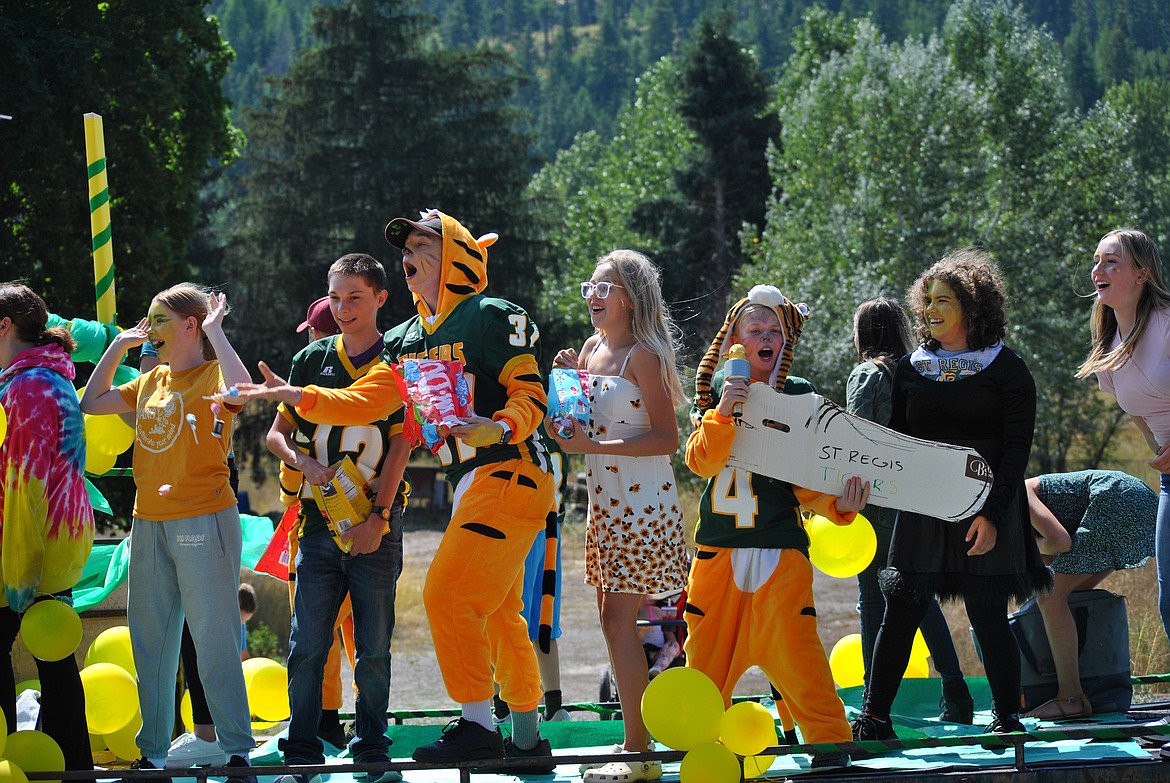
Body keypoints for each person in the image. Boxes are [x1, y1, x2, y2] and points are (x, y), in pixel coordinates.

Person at [234, 210, 557, 774]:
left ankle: (481, 727)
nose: (408, 252)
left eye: (422, 242)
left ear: (456, 252)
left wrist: (499, 425)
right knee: (500, 612)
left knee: (448, 596)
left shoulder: (489, 316)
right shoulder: (408, 339)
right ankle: (527, 741)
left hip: (513, 469)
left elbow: (531, 392)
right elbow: (367, 400)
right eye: (405, 245)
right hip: (473, 482)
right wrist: (297, 394)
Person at [851, 250, 1048, 743]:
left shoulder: (1008, 369)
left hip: (988, 509)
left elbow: (1015, 452)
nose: (932, 309)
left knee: (988, 615)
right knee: (899, 611)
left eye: (946, 300)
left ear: (974, 308)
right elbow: (894, 441)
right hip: (924, 510)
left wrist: (994, 516)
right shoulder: (913, 369)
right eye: (928, 301)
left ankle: (1007, 718)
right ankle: (874, 718)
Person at [687, 284, 868, 771]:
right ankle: (698, 750)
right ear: (733, 343)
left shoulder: (799, 398)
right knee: (703, 664)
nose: (766, 337)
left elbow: (807, 478)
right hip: (718, 555)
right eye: (755, 329)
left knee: (800, 657)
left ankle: (830, 747)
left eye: (775, 331)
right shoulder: (712, 396)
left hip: (780, 551)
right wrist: (725, 408)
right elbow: (701, 462)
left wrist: (839, 504)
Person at [79, 284, 256, 783]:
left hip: (204, 517)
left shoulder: (213, 374)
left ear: (189, 325)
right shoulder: (151, 377)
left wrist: (218, 331)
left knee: (213, 634)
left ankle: (237, 748)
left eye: (159, 319)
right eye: (149, 318)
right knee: (150, 641)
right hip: (147, 521)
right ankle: (152, 751)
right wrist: (119, 346)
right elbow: (93, 402)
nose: (150, 328)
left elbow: (243, 388)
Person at [264, 254, 410, 783]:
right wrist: (304, 463)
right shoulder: (311, 358)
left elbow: (399, 449)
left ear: (380, 299)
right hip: (318, 522)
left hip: (375, 523)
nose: (343, 309)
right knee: (307, 644)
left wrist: (378, 517)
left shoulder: (397, 359)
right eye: (336, 298)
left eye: (355, 298)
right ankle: (301, 747)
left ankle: (371, 744)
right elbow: (277, 432)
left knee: (372, 645)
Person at [550, 249, 690, 783]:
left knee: (616, 621)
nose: (593, 295)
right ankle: (638, 743)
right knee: (613, 623)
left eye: (604, 287)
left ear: (631, 297)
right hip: (604, 502)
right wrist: (566, 386)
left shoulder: (643, 356)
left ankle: (638, 749)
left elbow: (666, 438)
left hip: (642, 506)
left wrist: (595, 441)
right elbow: (575, 429)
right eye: (590, 285)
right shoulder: (590, 348)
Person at [847, 297, 973, 723]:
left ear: (862, 333)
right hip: (923, 501)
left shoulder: (867, 374)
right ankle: (956, 693)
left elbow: (854, 438)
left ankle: (870, 703)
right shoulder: (921, 370)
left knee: (873, 600)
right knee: (919, 597)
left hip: (879, 506)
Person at [0, 283, 95, 771]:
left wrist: (18, 575)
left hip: (28, 548)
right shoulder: (50, 377)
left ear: (4, 326)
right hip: (57, 542)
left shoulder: (26, 386)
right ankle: (71, 768)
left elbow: (24, 486)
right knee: (56, 662)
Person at [1076, 228, 1170, 645]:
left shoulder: (1166, 325)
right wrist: (1162, 451)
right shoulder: (1107, 350)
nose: (1099, 270)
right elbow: (1139, 415)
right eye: (1097, 261)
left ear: (1142, 274)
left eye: (1111, 262)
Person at [1023, 470, 1156, 719]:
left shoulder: (1017, 493)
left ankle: (1070, 698)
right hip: (1132, 497)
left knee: (1050, 596)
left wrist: (1022, 548)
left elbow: (1060, 543)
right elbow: (1053, 555)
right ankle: (1090, 685)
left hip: (1117, 498)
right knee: (1071, 594)